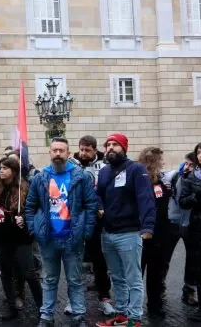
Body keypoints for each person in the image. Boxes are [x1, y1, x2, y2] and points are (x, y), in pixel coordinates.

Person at [25, 137, 98, 327]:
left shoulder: (80, 176)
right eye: (55, 150)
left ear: (67, 153)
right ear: (50, 153)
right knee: (49, 279)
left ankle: (79, 316)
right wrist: (35, 229)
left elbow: (91, 205)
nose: (58, 153)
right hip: (48, 238)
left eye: (61, 150)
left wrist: (86, 231)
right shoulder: (40, 177)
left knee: (75, 280)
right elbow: (30, 206)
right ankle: (46, 316)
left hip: (72, 238)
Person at [96, 133, 155, 327]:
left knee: (133, 279)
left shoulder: (136, 169)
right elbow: (97, 194)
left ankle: (135, 318)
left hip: (129, 233)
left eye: (115, 144)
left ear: (124, 148)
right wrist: (99, 205)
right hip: (108, 233)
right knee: (117, 277)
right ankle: (121, 315)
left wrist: (147, 226)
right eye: (108, 145)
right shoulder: (104, 171)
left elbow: (146, 198)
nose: (110, 148)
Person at [0, 157, 42, 320]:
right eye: (0, 167)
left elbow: (33, 209)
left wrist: (22, 217)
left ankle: (42, 308)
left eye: (5, 168)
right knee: (6, 274)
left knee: (29, 273)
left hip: (21, 239)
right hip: (1, 239)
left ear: (14, 170)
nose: (1, 170)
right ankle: (12, 306)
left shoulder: (24, 188)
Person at [67, 135, 115, 316]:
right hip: (76, 217)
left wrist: (101, 206)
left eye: (87, 150)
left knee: (99, 257)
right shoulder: (71, 163)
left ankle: (104, 296)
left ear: (95, 150)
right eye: (81, 149)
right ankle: (73, 299)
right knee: (73, 258)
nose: (83, 153)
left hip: (98, 217)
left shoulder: (106, 165)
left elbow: (107, 190)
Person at [180, 141, 201, 321]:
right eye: (199, 152)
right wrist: (198, 196)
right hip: (199, 228)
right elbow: (183, 201)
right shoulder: (192, 177)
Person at [137, 147, 171, 319]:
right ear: (153, 161)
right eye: (160, 160)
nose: (163, 163)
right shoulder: (141, 181)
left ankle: (154, 305)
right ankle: (136, 307)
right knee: (139, 272)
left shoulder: (159, 181)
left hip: (160, 234)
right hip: (145, 234)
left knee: (156, 273)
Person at [164, 152, 198, 306]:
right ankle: (160, 288)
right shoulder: (174, 175)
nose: (188, 167)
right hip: (172, 221)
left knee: (192, 258)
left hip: (191, 223)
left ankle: (189, 290)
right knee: (164, 257)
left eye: (192, 165)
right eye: (187, 163)